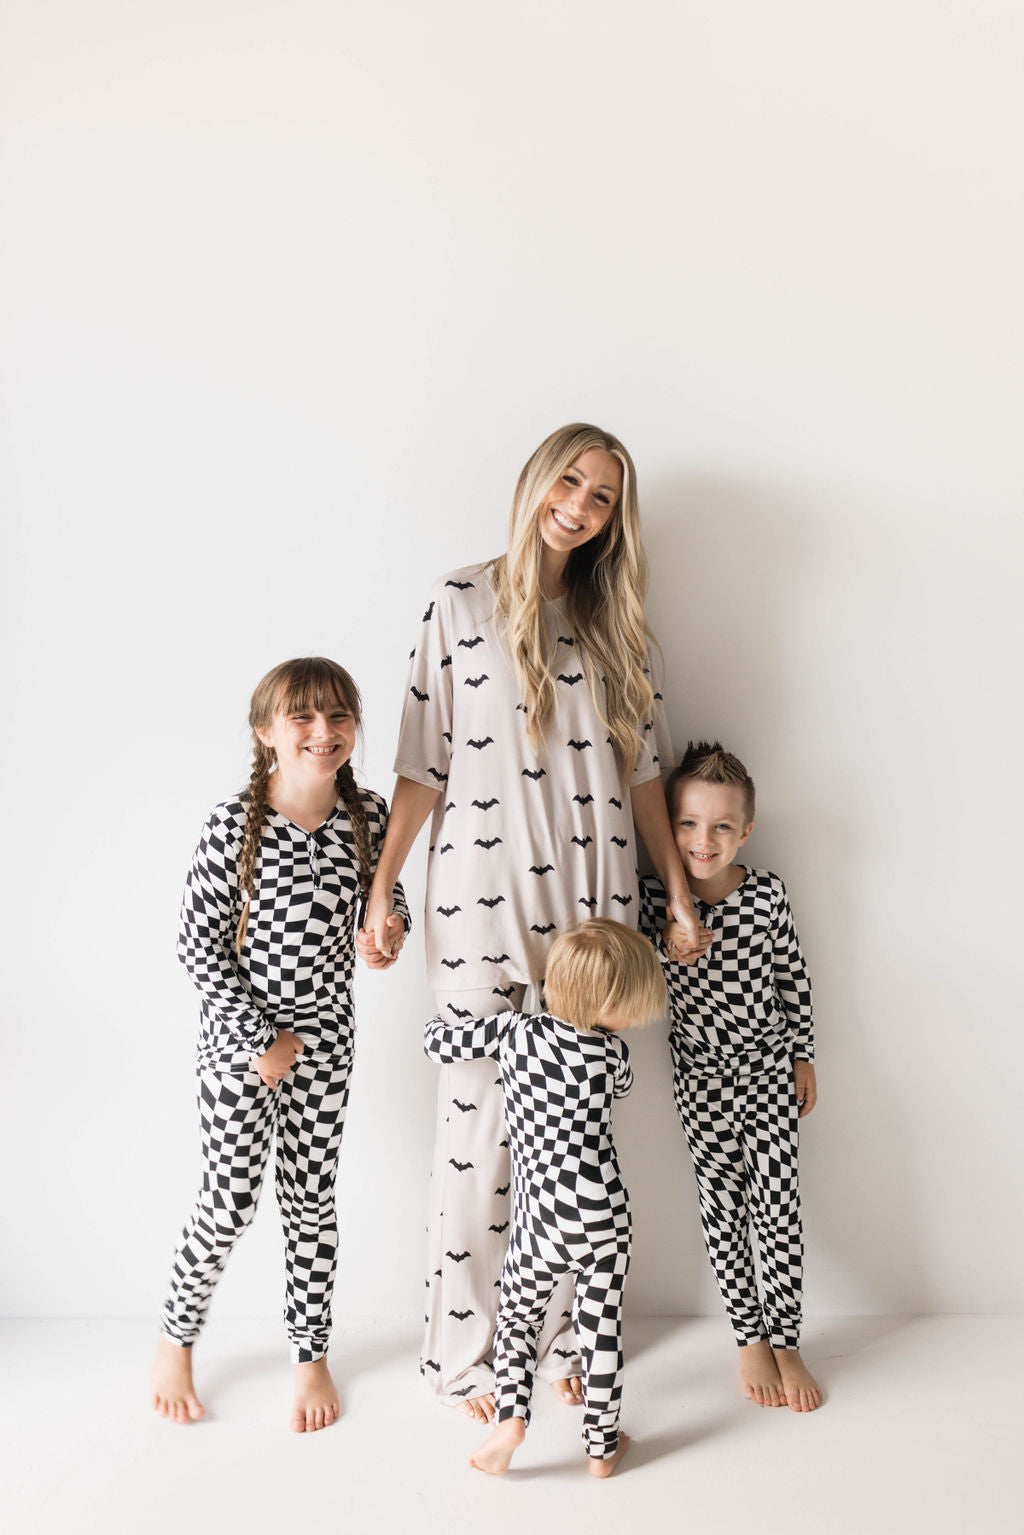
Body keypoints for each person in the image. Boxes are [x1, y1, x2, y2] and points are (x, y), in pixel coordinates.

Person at [360, 422, 708, 1422]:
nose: (581, 505)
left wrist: (677, 897)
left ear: (613, 520)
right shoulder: (460, 600)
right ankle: (464, 1357)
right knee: (477, 1126)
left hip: (594, 903)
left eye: (603, 497)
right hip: (477, 895)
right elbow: (418, 764)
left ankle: (552, 1341)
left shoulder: (620, 625)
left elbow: (644, 777)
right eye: (572, 481)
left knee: (570, 1139)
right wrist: (382, 888)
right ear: (536, 481)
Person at [151, 658, 408, 1432]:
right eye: (302, 717)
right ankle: (174, 1338)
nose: (322, 732)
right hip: (241, 1043)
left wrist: (388, 938)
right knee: (228, 1201)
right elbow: (198, 948)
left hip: (328, 1042)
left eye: (337, 716)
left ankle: (310, 1353)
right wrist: (261, 1039)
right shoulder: (232, 826)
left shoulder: (368, 814)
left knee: (310, 1201)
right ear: (267, 732)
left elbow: (388, 912)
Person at [424, 920, 666, 1477]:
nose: (632, 1018)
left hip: (540, 1218)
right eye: (630, 1004)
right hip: (603, 1213)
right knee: (600, 1327)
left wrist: (452, 1020)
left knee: (517, 1321)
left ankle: (511, 1422)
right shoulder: (613, 1057)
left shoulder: (515, 1034)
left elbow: (437, 1042)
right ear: (605, 1002)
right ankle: (602, 1447)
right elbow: (623, 1087)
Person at [638, 740, 823, 1412]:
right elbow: (635, 974)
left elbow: (792, 978)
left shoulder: (767, 893)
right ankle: (748, 1334)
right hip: (702, 1076)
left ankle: (787, 1338)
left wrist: (803, 1053)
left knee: (778, 1205)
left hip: (770, 1070)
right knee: (723, 1203)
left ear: (745, 830)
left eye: (720, 825)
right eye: (687, 823)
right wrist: (669, 937)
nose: (703, 839)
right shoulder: (656, 897)